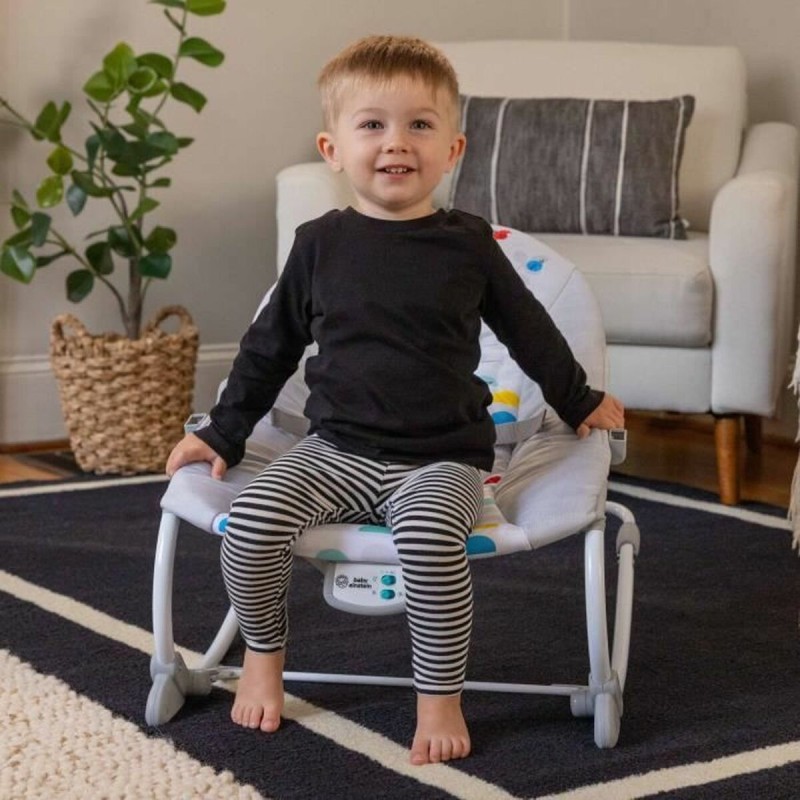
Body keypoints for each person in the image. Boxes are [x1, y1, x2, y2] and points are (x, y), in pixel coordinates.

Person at [166, 34, 625, 765]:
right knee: (250, 524)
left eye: (420, 124)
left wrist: (577, 398)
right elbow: (268, 347)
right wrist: (223, 433)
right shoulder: (319, 244)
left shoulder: (469, 244)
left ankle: (439, 697)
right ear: (333, 147)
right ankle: (261, 654)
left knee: (430, 542)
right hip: (333, 453)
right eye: (372, 124)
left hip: (442, 459)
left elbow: (530, 331)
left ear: (453, 149)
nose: (396, 142)